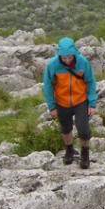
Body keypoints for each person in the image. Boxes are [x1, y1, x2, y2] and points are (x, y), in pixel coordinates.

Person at [42, 37, 98, 169]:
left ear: (74, 53)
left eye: (70, 57)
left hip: (80, 101)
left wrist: (92, 103)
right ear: (59, 54)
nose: (67, 60)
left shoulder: (83, 63)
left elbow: (90, 81)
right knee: (66, 128)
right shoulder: (53, 65)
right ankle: (69, 150)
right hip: (62, 102)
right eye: (64, 57)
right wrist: (52, 106)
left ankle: (85, 154)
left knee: (83, 130)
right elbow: (48, 86)